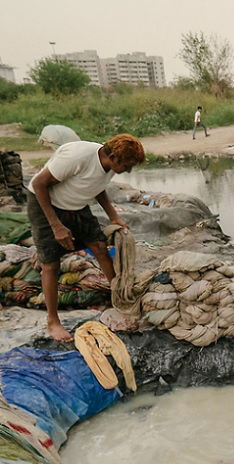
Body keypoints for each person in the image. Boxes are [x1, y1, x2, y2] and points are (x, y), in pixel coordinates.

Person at [27, 133, 145, 343]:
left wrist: (114, 216)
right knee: (51, 264)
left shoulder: (108, 165)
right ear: (115, 157)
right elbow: (38, 184)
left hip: (77, 206)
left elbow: (97, 187)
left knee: (100, 246)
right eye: (128, 165)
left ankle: (116, 300)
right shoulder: (78, 157)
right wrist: (56, 226)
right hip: (46, 205)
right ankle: (53, 321)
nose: (129, 170)